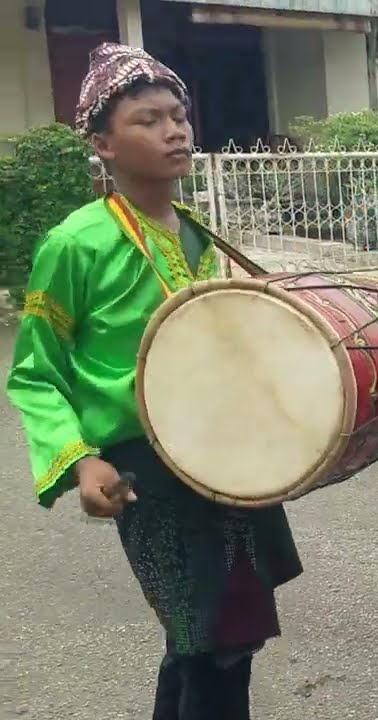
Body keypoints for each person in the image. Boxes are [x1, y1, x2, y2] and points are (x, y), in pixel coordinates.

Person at [7, 43, 302, 720]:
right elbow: (36, 372)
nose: (175, 131)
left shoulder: (197, 233)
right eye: (149, 120)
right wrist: (80, 460)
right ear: (103, 144)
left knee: (214, 641)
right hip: (150, 465)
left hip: (226, 453)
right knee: (213, 640)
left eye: (179, 116)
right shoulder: (76, 243)